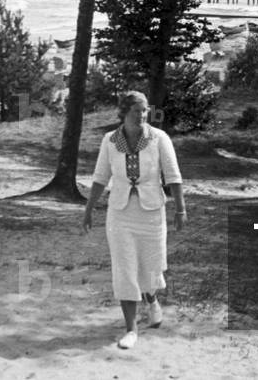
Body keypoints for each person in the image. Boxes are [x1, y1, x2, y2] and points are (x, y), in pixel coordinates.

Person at [83, 91, 186, 350]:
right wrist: (88, 209)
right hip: (120, 214)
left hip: (151, 212)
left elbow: (173, 175)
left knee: (150, 268)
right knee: (124, 268)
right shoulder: (109, 141)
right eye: (136, 111)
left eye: (144, 111)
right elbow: (100, 176)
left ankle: (151, 301)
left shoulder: (159, 138)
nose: (141, 115)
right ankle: (131, 329)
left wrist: (180, 210)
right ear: (123, 113)